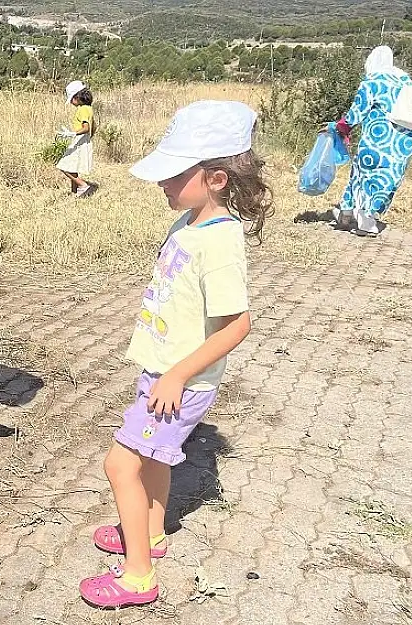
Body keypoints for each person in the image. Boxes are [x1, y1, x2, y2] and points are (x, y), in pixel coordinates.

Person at [78, 101, 271, 608]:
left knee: (121, 466)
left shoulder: (221, 244)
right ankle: (153, 533)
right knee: (154, 460)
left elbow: (239, 324)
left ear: (217, 179)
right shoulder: (189, 222)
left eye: (174, 173)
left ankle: (138, 576)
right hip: (165, 375)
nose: (161, 182)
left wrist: (178, 376)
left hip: (178, 383)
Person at [331, 45, 412, 237]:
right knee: (386, 181)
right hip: (402, 143)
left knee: (363, 176)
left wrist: (342, 127)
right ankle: (357, 215)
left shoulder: (371, 81)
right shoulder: (405, 80)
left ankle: (360, 219)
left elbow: (357, 112)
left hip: (376, 140)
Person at [56, 80, 96, 197]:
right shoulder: (89, 108)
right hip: (84, 141)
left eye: (72, 99)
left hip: (79, 141)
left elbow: (86, 127)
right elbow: (94, 126)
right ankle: (74, 192)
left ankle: (83, 186)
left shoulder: (82, 109)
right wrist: (88, 139)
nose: (72, 103)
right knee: (72, 166)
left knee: (63, 166)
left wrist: (72, 133)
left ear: (77, 97)